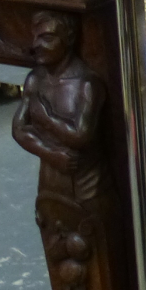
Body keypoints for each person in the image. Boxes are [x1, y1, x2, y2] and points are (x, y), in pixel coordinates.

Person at [12, 10, 105, 204]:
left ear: (69, 38)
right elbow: (18, 129)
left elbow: (81, 135)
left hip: (85, 187)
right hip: (50, 183)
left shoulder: (86, 84)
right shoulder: (35, 79)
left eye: (47, 38)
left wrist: (46, 119)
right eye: (35, 37)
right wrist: (51, 154)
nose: (36, 45)